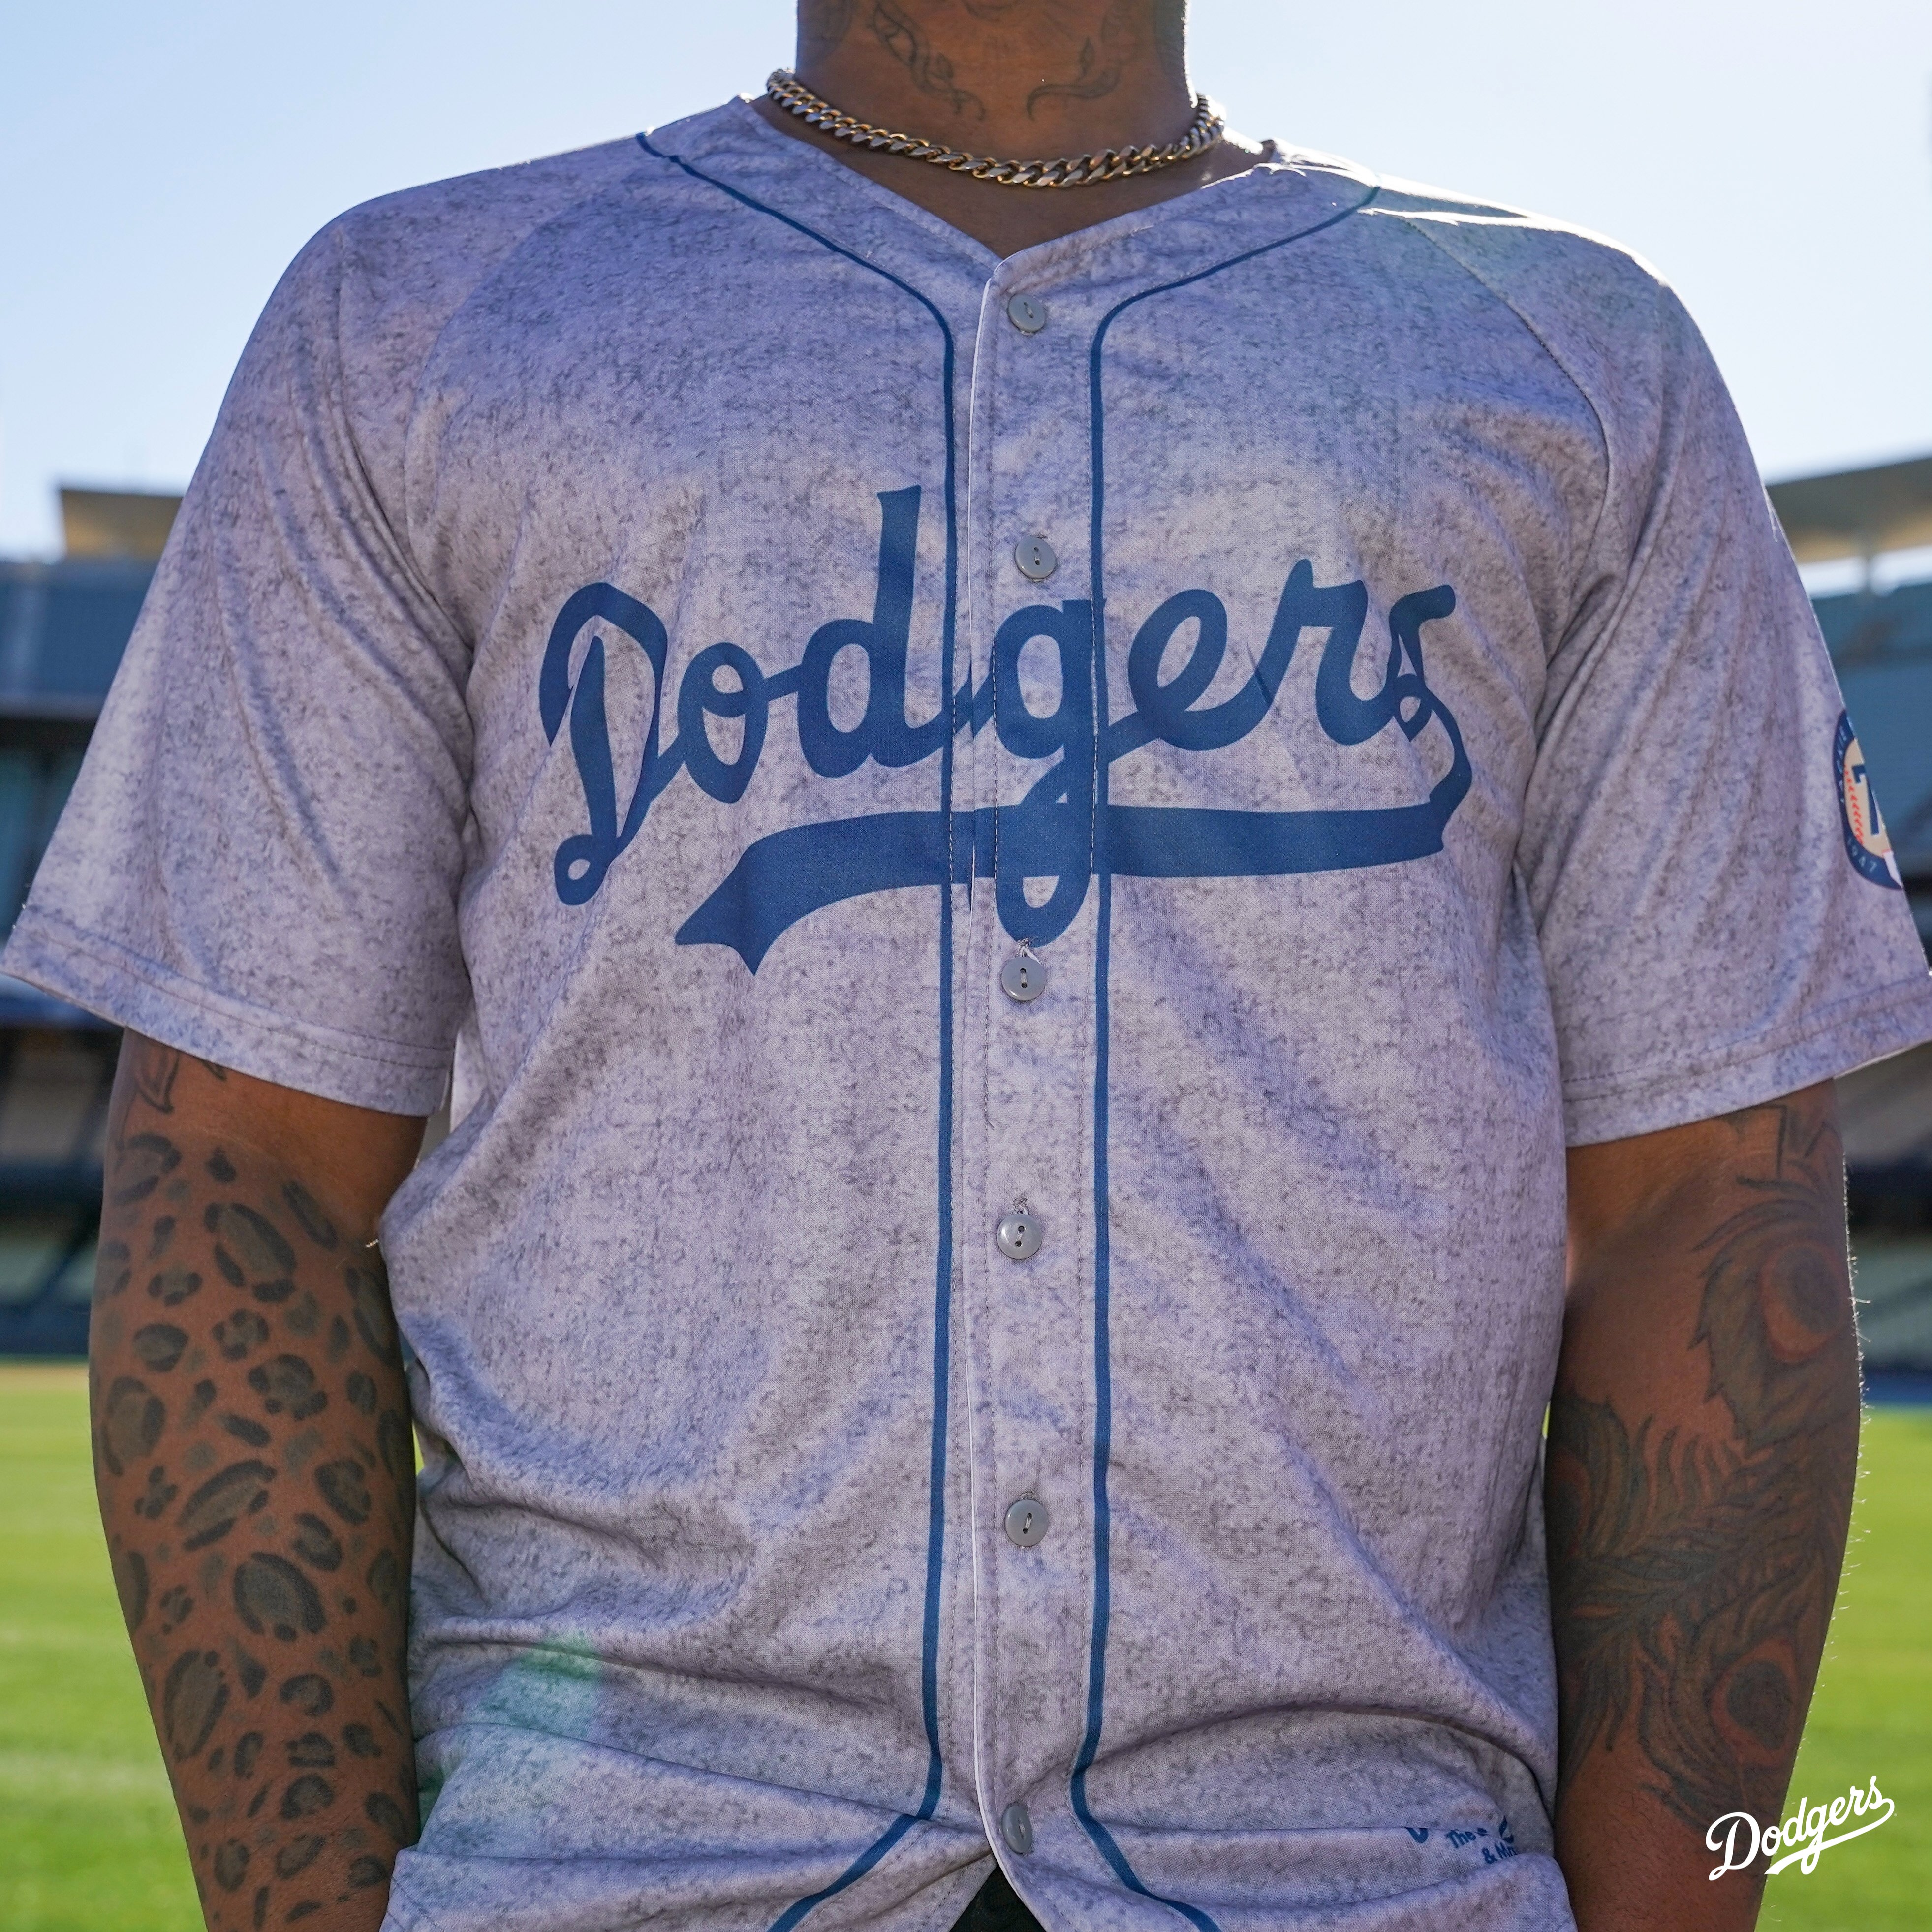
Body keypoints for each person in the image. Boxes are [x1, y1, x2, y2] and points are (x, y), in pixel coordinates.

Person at [10, 4, 1929, 1930]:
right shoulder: (409, 319)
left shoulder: (1582, 364)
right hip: (604, 1872)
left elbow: (1707, 1194)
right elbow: (243, 1163)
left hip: (1359, 1874)